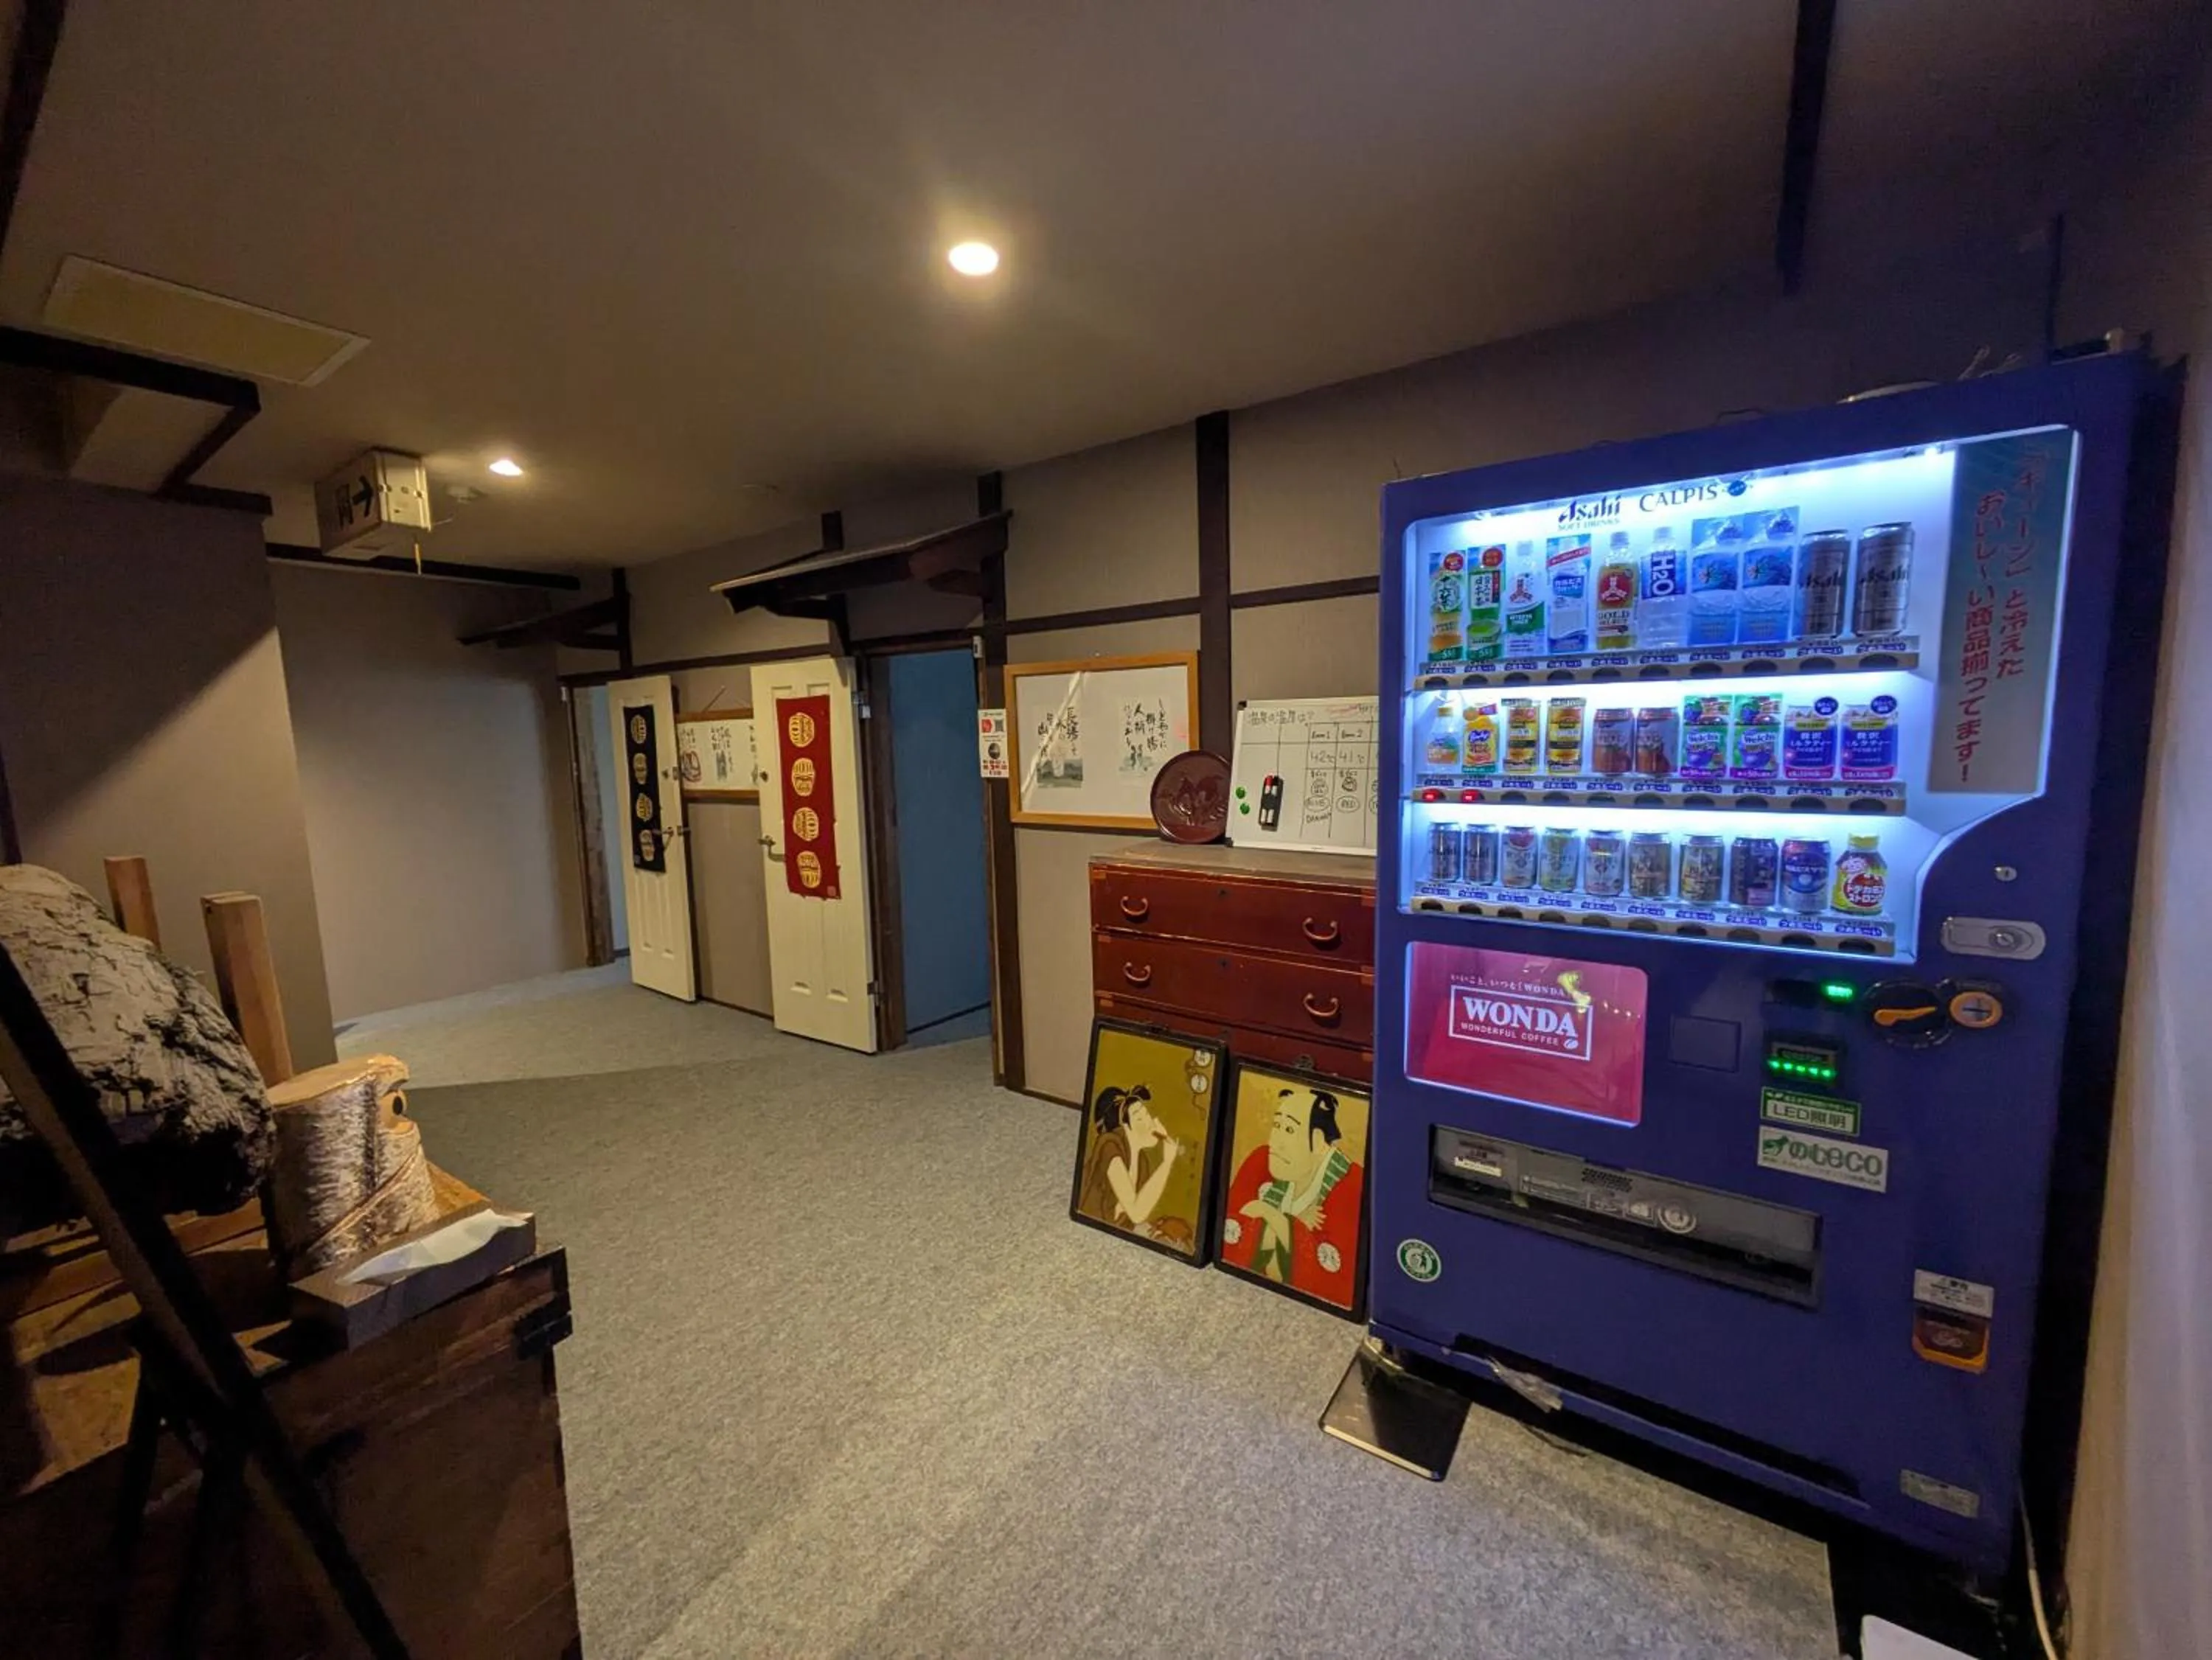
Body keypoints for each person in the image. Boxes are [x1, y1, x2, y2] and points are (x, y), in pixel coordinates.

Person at [1222, 1085, 1363, 1304]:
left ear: (1318, 1141)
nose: (1275, 1141)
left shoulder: (1351, 1184)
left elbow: (1331, 1280)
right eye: (1276, 1125)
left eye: (1289, 1130)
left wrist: (1270, 1215)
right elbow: (1230, 1236)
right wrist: (1293, 1224)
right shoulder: (1262, 1158)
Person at [1076, 1084, 1193, 1251]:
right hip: (1092, 1232)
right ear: (1124, 1127)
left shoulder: (1142, 1161)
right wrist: (1167, 1163)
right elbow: (1137, 1213)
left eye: (1147, 1115)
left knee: (1180, 1235)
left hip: (1116, 1232)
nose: (1151, 1122)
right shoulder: (1110, 1146)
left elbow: (1130, 1220)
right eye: (1139, 1118)